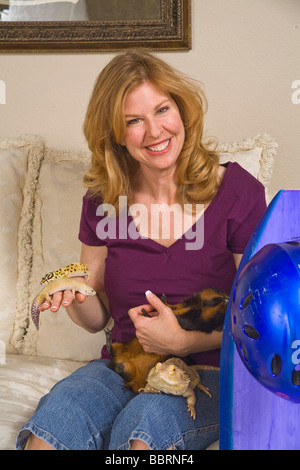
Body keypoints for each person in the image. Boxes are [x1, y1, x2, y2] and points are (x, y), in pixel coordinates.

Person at [16, 50, 266, 450]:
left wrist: (183, 345)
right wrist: (76, 296)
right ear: (115, 133)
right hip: (123, 364)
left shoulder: (239, 193)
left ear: (182, 111)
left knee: (142, 432)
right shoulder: (103, 200)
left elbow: (262, 317)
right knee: (55, 423)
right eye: (134, 121)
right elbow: (96, 317)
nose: (154, 131)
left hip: (211, 371)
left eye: (162, 109)